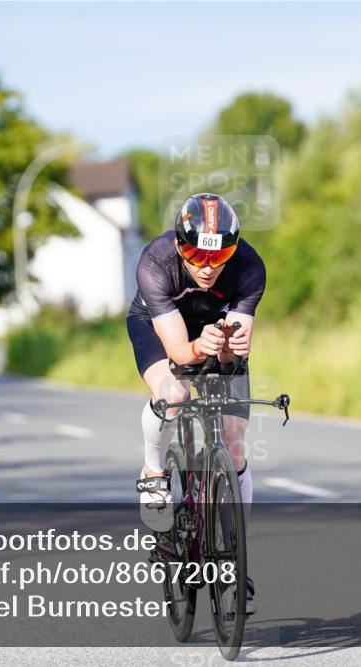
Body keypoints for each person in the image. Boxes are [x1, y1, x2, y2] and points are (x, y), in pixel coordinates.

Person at [126, 193, 265, 614]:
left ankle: (234, 558)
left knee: (236, 437)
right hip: (159, 326)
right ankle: (153, 468)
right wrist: (198, 348)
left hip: (214, 329)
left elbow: (233, 355)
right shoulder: (155, 261)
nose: (207, 267)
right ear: (180, 245)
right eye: (195, 256)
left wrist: (226, 352)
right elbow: (178, 353)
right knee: (174, 392)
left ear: (233, 249)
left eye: (219, 255)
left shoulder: (250, 267)